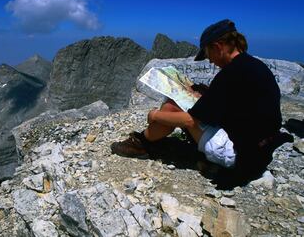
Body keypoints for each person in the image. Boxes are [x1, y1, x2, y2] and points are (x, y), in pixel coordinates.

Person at [111, 19, 292, 186]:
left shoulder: (229, 75)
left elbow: (190, 121)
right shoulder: (252, 65)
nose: (211, 61)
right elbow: (240, 102)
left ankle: (141, 143)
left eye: (208, 55)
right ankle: (148, 140)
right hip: (259, 149)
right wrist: (208, 93)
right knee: (180, 105)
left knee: (172, 106)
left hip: (237, 155)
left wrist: (154, 115)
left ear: (218, 46)